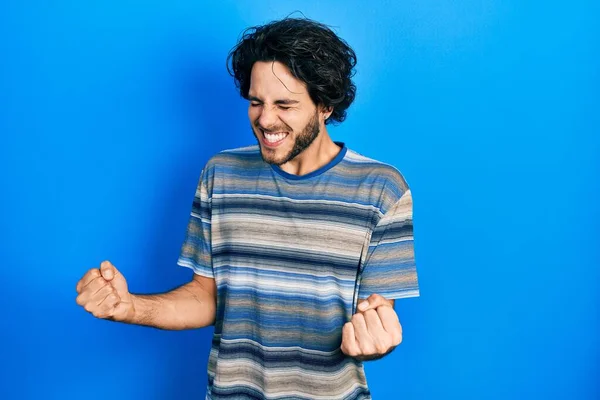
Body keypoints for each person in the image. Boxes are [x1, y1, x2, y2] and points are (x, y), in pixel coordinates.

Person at [75, 17, 419, 400]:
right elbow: (206, 297)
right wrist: (129, 307)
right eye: (257, 102)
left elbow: (374, 319)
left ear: (324, 105)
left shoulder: (381, 189)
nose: (265, 120)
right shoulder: (220, 175)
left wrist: (377, 341)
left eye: (284, 104)